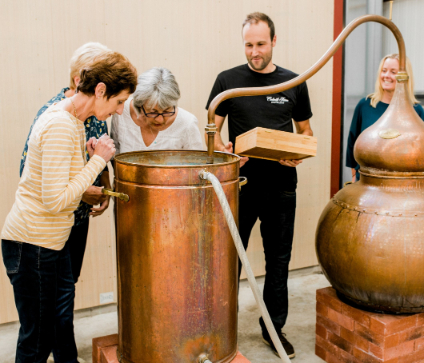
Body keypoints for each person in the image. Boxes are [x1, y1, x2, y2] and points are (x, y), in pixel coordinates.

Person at [1, 51, 137, 363]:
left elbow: (59, 183)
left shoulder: (73, 120)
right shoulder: (62, 124)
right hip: (32, 243)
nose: (118, 112)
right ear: (100, 90)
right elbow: (57, 200)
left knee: (48, 330)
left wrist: (87, 159)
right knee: (36, 341)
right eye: (118, 102)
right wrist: (98, 161)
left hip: (48, 242)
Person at [206, 12, 313, 359]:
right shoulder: (228, 81)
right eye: (249, 45)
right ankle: (222, 331)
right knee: (229, 262)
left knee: (278, 261)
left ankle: (273, 330)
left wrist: (297, 153)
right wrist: (225, 151)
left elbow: (306, 133)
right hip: (241, 186)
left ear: (274, 42)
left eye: (261, 44)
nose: (254, 51)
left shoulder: (294, 82)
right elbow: (211, 132)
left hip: (282, 186)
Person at [20, 42, 113, 285]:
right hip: (52, 221)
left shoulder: (97, 115)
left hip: (78, 218)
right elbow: (37, 179)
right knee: (54, 295)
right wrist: (83, 193)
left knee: (68, 284)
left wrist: (106, 188)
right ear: (80, 79)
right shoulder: (54, 117)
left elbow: (99, 161)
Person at [346, 54, 424, 182]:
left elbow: (420, 150)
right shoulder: (365, 105)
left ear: (404, 77)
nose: (386, 76)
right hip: (367, 181)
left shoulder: (416, 110)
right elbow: (353, 140)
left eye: (393, 72)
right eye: (384, 71)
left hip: (400, 182)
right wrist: (354, 174)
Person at [111, 67, 204, 154]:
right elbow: (115, 156)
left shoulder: (187, 123)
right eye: (152, 112)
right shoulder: (121, 112)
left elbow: (197, 166)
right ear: (139, 106)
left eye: (167, 111)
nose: (160, 120)